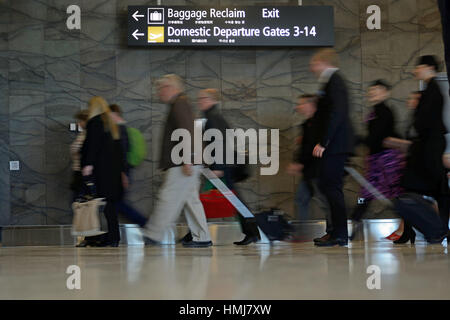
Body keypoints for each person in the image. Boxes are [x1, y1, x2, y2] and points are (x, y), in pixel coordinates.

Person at [142, 74, 212, 248]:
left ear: (170, 88)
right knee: (191, 201)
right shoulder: (180, 103)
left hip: (182, 161)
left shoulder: (179, 103)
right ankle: (202, 237)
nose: (159, 92)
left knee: (168, 197)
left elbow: (187, 131)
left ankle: (153, 233)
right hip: (188, 160)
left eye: (161, 88)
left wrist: (188, 159)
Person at [389, 55, 448, 244]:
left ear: (429, 68)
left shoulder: (432, 91)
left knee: (425, 189)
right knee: (431, 190)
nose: (416, 70)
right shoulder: (432, 90)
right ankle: (434, 229)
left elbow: (426, 123)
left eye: (420, 66)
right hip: (426, 148)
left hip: (428, 149)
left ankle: (436, 229)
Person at [198, 88, 260, 246]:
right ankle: (252, 232)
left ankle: (253, 232)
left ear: (213, 100)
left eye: (204, 98)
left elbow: (220, 143)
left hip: (221, 166)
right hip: (222, 165)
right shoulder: (212, 117)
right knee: (232, 201)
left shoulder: (213, 118)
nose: (200, 101)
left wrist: (218, 166)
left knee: (231, 201)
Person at [309, 49, 354, 247]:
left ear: (323, 62)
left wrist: (324, 142)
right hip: (333, 145)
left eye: (315, 64)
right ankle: (335, 231)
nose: (313, 68)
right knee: (328, 187)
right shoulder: (330, 81)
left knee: (332, 189)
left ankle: (340, 234)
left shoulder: (335, 80)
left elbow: (337, 113)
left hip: (335, 145)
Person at [349, 80, 405, 240]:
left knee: (395, 192)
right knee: (366, 192)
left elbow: (378, 137)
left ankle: (408, 223)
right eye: (371, 90)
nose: (372, 93)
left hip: (387, 160)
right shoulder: (375, 111)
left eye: (377, 90)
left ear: (386, 93)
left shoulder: (385, 111)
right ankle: (355, 221)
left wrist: (359, 141)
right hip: (375, 160)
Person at [78, 96, 126, 247]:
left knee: (105, 206)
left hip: (102, 171)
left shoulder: (95, 122)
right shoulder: (112, 124)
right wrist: (122, 172)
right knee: (110, 206)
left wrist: (88, 164)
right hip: (114, 172)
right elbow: (120, 150)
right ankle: (114, 237)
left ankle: (109, 238)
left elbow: (92, 144)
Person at [287, 94, 331, 235]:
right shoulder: (307, 125)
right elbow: (305, 148)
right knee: (301, 199)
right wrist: (300, 163)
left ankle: (333, 230)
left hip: (320, 170)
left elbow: (315, 148)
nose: (298, 107)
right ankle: (302, 232)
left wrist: (301, 164)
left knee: (325, 202)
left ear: (311, 105)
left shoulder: (320, 124)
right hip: (309, 171)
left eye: (301, 104)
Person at [109, 104, 148, 227]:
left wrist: (123, 173)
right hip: (123, 171)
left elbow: (122, 153)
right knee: (116, 203)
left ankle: (145, 223)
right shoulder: (120, 129)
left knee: (117, 203)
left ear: (115, 114)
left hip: (122, 171)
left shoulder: (120, 130)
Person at [70, 109, 89, 201]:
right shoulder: (83, 134)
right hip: (79, 171)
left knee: (79, 202)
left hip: (82, 172)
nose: (78, 124)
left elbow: (79, 150)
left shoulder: (87, 134)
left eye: (80, 121)